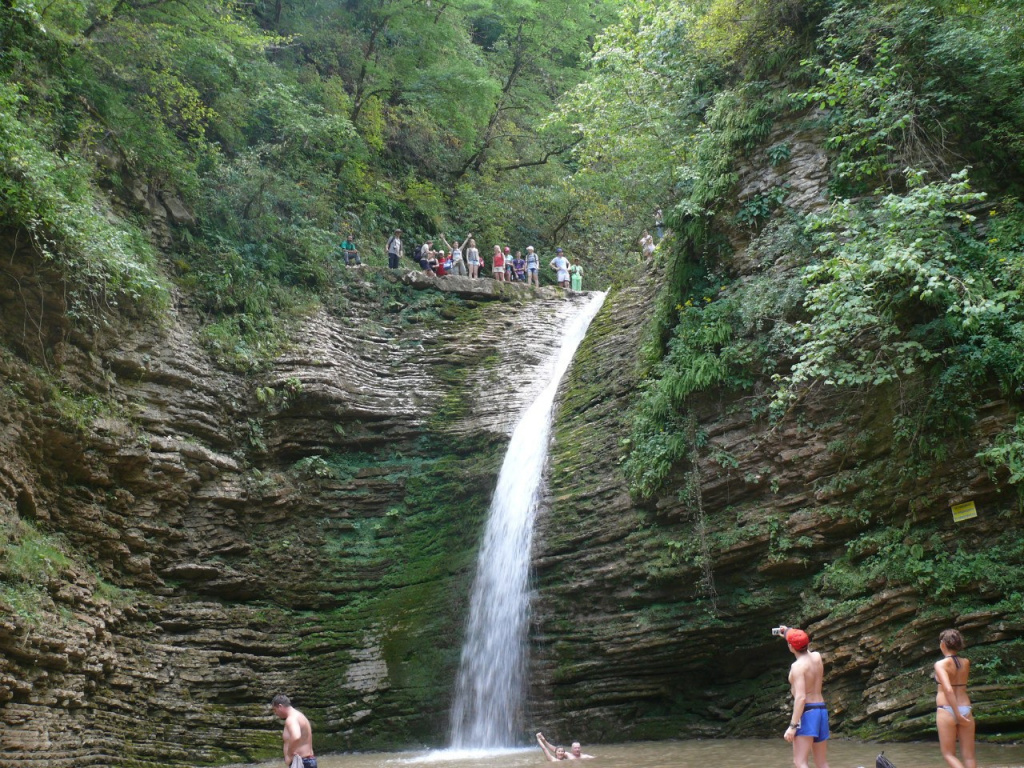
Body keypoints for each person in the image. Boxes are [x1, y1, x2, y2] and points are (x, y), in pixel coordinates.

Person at [778, 626, 829, 768]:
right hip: (821, 710)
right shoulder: (817, 657)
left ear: (790, 646)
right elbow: (801, 645)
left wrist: (792, 726)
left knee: (800, 762)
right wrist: (788, 631)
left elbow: (800, 698)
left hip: (807, 712)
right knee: (822, 762)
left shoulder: (797, 667)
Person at [935, 628, 975, 768]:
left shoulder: (940, 664)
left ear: (943, 644)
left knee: (948, 754)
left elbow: (948, 689)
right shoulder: (966, 662)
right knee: (969, 756)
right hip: (966, 708)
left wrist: (956, 714)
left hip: (947, 710)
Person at [271, 694, 316, 768]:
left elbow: (296, 736)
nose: (276, 713)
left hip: (301, 762)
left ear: (280, 706)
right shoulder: (299, 715)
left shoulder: (291, 719)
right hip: (308, 761)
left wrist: (289, 755)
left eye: (275, 710)